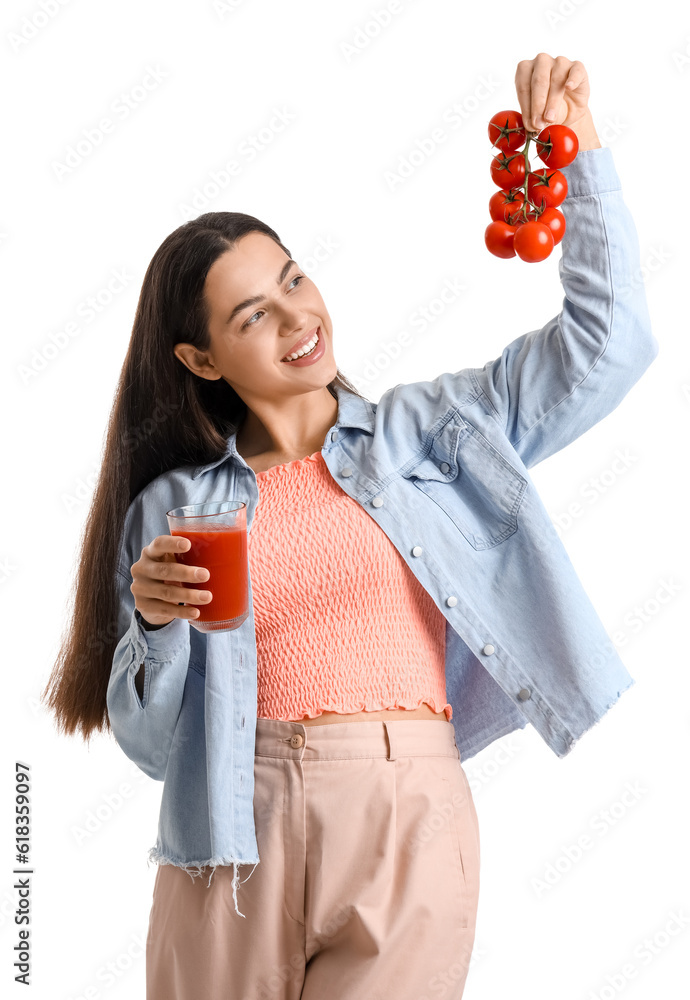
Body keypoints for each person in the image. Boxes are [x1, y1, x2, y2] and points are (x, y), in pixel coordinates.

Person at [42, 53, 658, 1000]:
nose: (299, 317)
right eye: (255, 314)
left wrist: (581, 162)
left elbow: (611, 343)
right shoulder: (171, 512)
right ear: (200, 357)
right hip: (226, 831)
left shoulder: (439, 431)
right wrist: (156, 628)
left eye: (294, 279)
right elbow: (156, 747)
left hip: (406, 805)